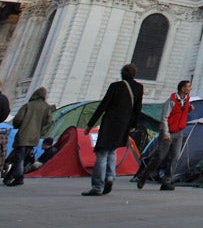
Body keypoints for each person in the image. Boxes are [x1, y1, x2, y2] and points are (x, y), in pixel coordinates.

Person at [82, 64, 143, 196]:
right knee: (112, 151)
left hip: (110, 123)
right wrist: (133, 125)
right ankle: (110, 177)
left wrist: (90, 125)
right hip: (124, 125)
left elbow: (103, 106)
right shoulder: (139, 87)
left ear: (122, 74)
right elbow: (137, 108)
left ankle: (98, 186)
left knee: (102, 153)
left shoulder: (116, 86)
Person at [137, 80, 193, 191]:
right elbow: (164, 118)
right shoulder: (171, 101)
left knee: (175, 157)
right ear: (182, 88)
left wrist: (189, 110)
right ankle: (144, 176)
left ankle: (167, 181)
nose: (190, 88)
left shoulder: (186, 101)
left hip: (179, 132)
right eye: (188, 86)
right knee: (160, 157)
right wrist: (166, 133)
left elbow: (181, 115)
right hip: (168, 133)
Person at [5, 87, 52, 186]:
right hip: (35, 136)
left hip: (24, 135)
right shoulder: (46, 107)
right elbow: (48, 121)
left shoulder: (28, 105)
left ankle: (19, 178)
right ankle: (8, 177)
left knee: (19, 158)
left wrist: (18, 126)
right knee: (22, 157)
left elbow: (18, 119)